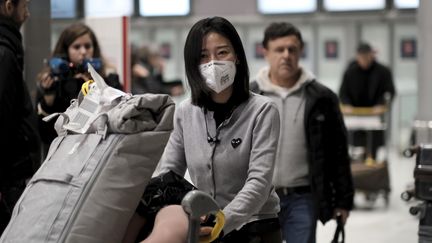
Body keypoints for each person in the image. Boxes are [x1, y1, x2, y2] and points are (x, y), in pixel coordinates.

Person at [125, 16, 282, 243]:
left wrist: (222, 221)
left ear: (237, 56)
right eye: (203, 56)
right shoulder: (185, 112)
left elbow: (259, 182)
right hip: (204, 226)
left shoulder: (262, 110)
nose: (213, 63)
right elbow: (171, 174)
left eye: (222, 53)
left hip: (255, 226)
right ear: (193, 64)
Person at [250, 22, 354, 243]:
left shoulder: (322, 98)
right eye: (279, 49)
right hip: (258, 197)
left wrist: (343, 201)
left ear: (300, 51)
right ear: (266, 52)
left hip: (303, 197)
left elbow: (338, 151)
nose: (286, 55)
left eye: (292, 49)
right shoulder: (249, 96)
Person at [35, 23, 123, 158]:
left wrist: (98, 88)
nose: (83, 52)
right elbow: (45, 135)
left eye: (87, 46)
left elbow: (118, 116)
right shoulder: (53, 81)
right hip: (64, 154)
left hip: (99, 151)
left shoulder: (108, 78)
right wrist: (49, 99)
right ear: (66, 50)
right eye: (76, 47)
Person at [0, 0, 41, 234]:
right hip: (9, 181)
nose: (27, 14)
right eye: (24, 6)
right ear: (8, 7)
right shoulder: (4, 53)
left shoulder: (8, 48)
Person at [339, 42, 396, 160]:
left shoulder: (383, 71)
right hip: (355, 117)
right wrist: (347, 105)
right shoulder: (350, 72)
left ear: (372, 55)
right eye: (361, 57)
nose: (364, 60)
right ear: (357, 57)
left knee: (372, 149)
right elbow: (343, 92)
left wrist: (381, 105)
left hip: (375, 118)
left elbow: (390, 92)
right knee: (355, 149)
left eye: (366, 57)